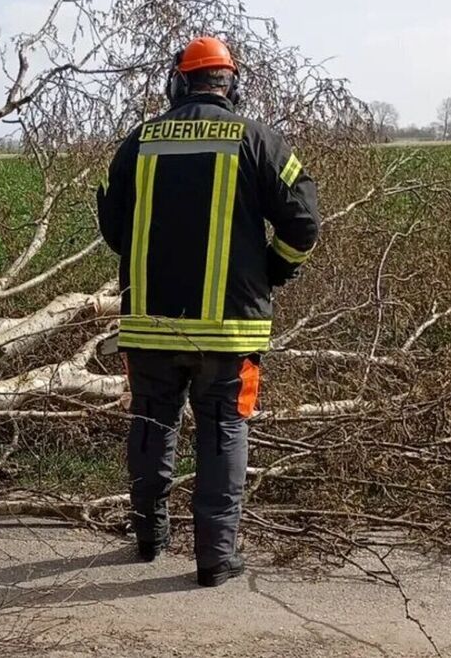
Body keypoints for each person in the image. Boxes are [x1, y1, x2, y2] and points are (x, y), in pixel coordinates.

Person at [96, 37, 321, 587]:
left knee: (152, 422)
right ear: (231, 84)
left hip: (150, 323)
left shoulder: (139, 142)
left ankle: (149, 539)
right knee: (222, 429)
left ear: (177, 83)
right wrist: (273, 269)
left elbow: (112, 226)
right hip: (228, 329)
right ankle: (215, 560)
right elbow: (304, 223)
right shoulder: (256, 139)